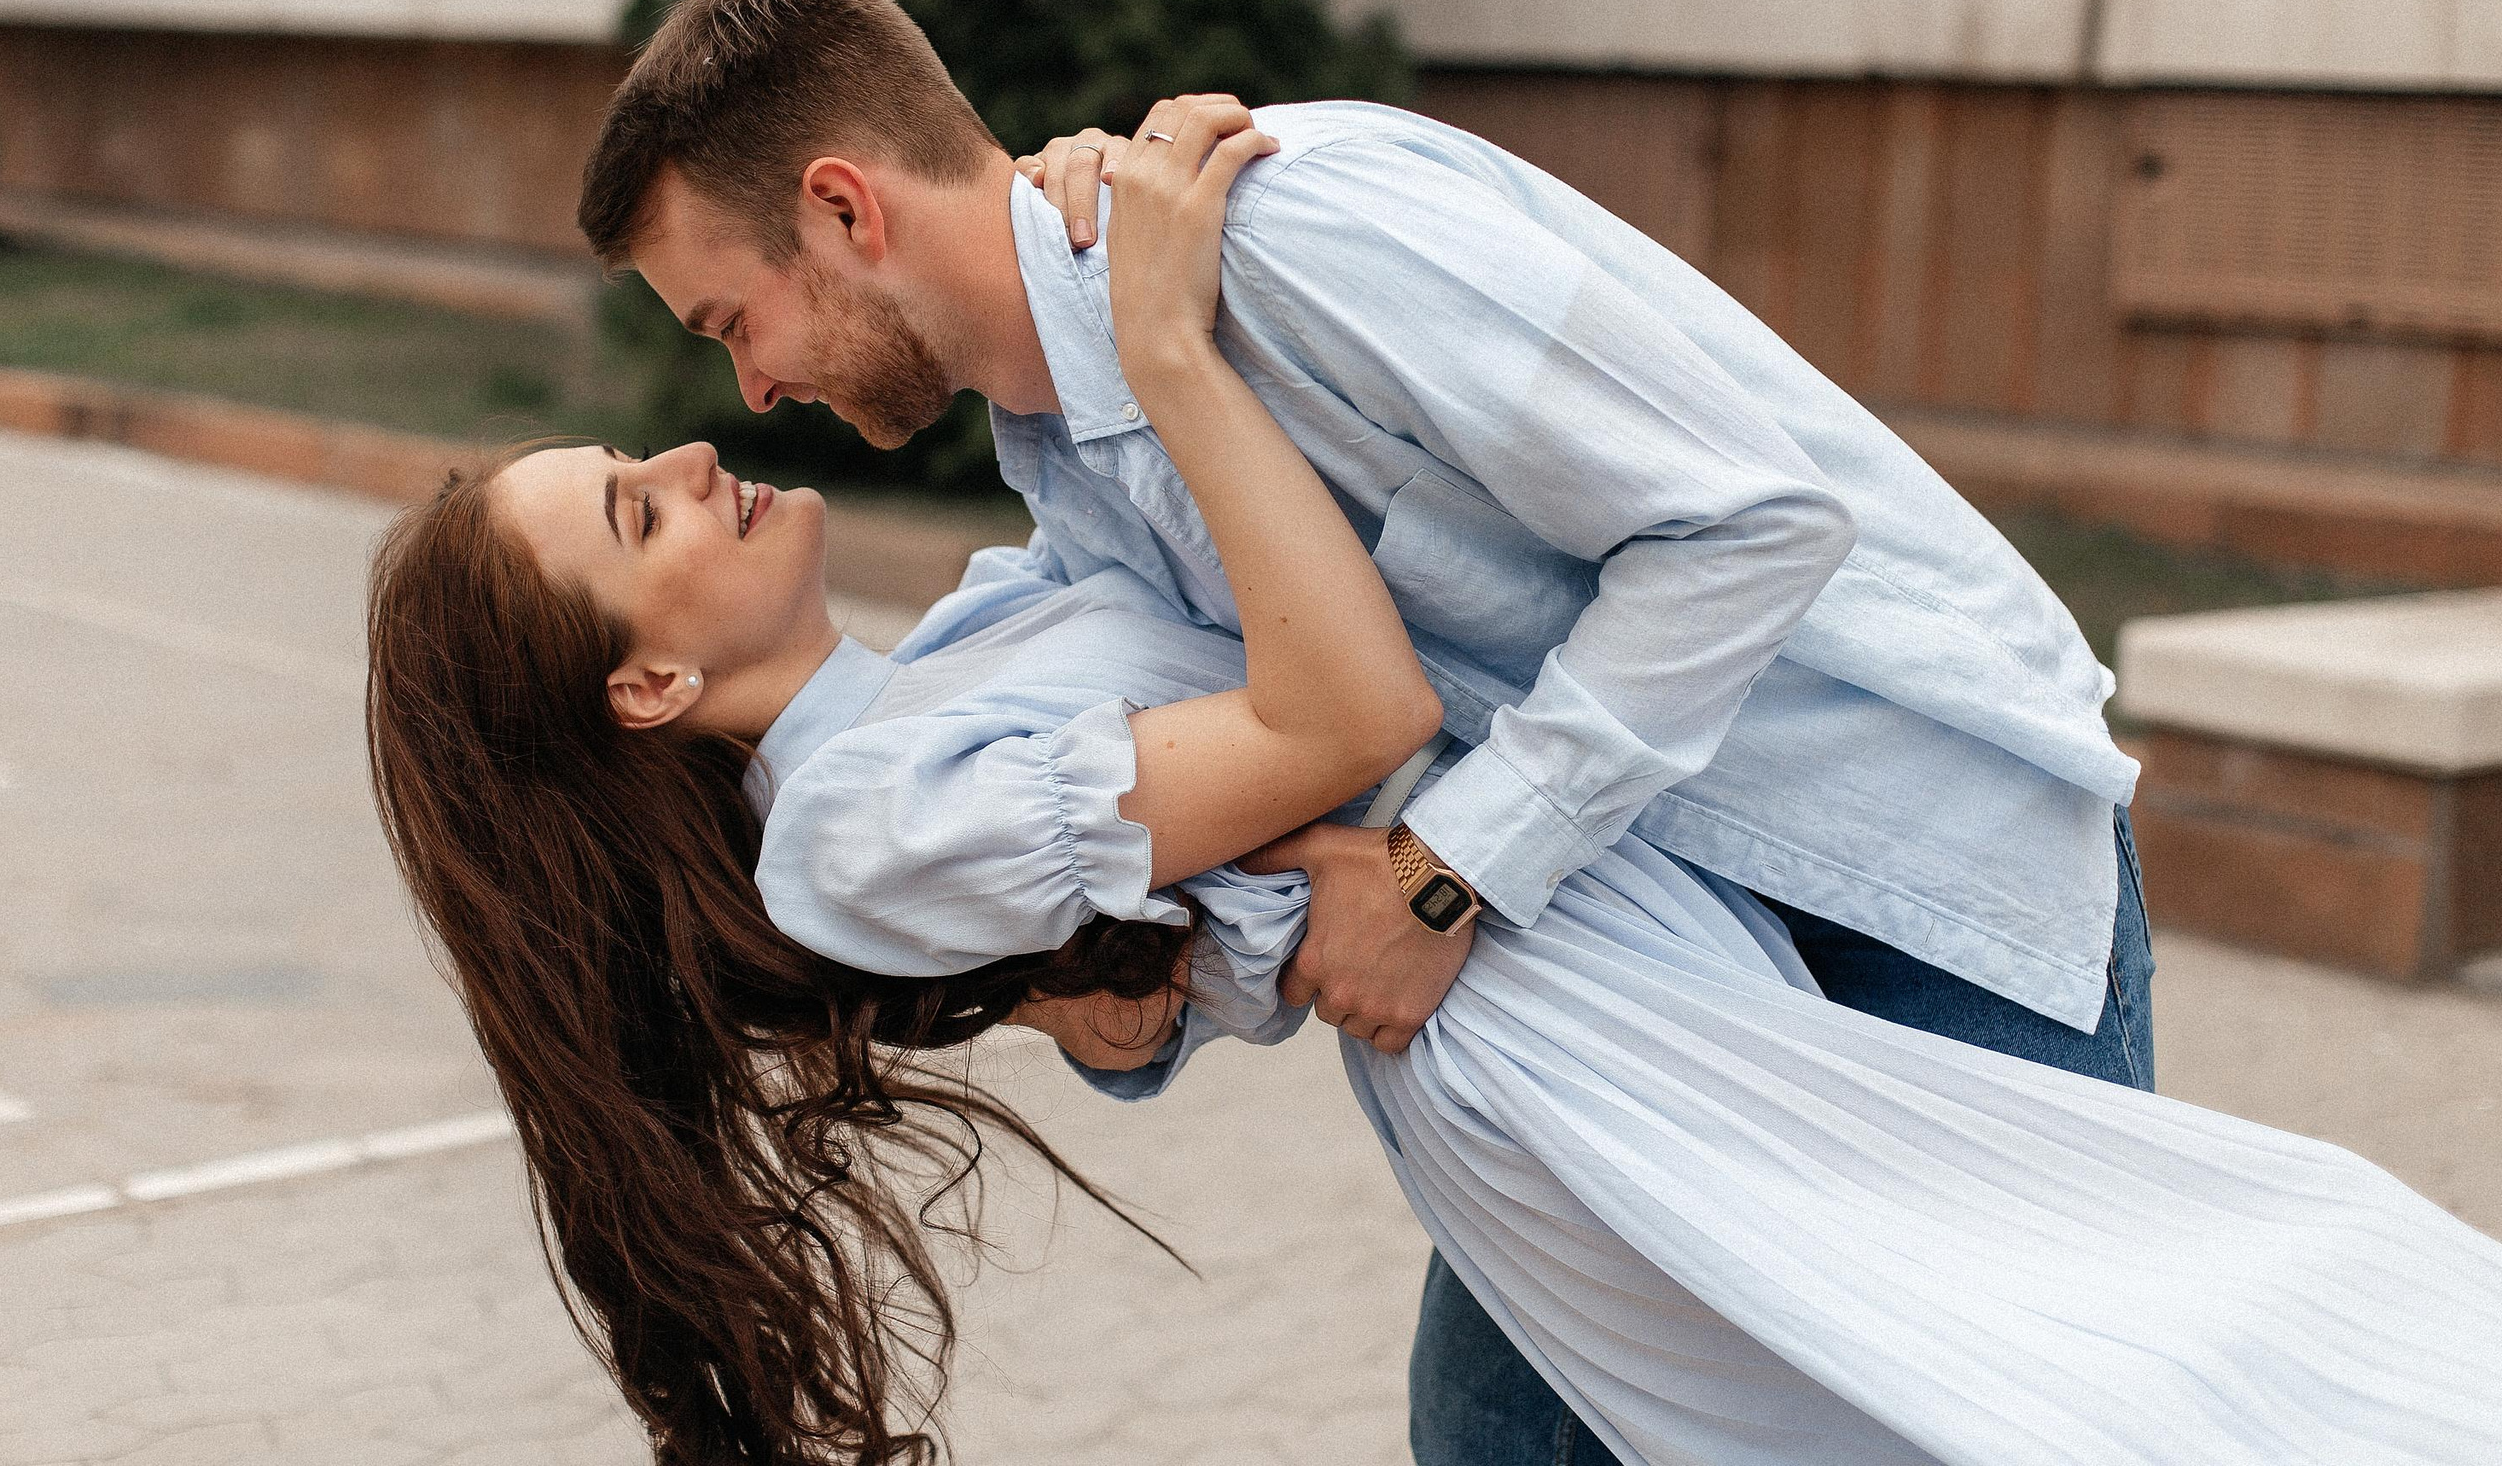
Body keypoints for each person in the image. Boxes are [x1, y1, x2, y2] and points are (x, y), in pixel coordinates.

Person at [372, 106, 2502, 1466]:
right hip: (1584, 1017)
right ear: (647, 680)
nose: (720, 415)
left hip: (1851, 881)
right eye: (639, 501)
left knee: (2135, 1370)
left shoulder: (1078, 483)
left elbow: (1259, 811)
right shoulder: (922, 712)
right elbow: (1312, 740)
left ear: (842, 204)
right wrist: (1174, 949)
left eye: (724, 326)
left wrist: (1155, 962)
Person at [573, 0, 2157, 1461]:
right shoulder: (1077, 468)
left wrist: (1445, 874)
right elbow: (1227, 792)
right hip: (1651, 960)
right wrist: (1089, 979)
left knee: (2012, 1426)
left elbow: (1749, 527)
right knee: (1498, 1442)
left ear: (843, 209)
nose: (751, 392)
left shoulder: (1292, 240)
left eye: (732, 323)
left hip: (1911, 878)